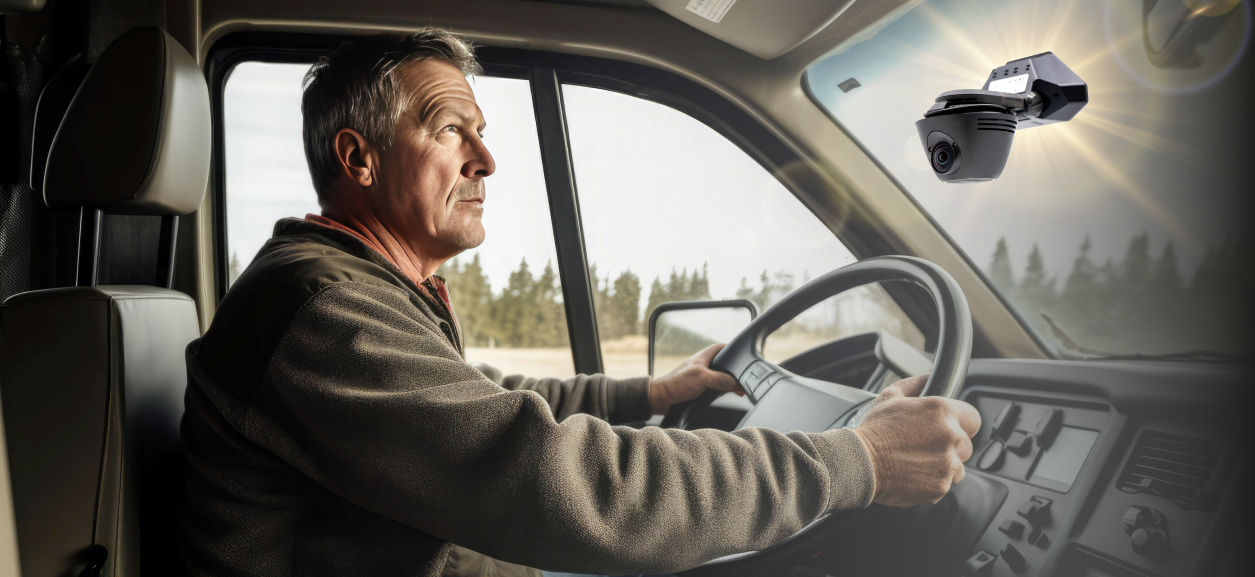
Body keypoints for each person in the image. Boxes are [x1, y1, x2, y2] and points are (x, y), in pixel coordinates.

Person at [178, 29, 981, 577]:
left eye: (481, 132)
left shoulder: (350, 286)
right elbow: (567, 485)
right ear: (357, 156)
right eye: (452, 129)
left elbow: (485, 402)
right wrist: (861, 460)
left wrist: (653, 394)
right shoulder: (321, 309)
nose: (486, 158)